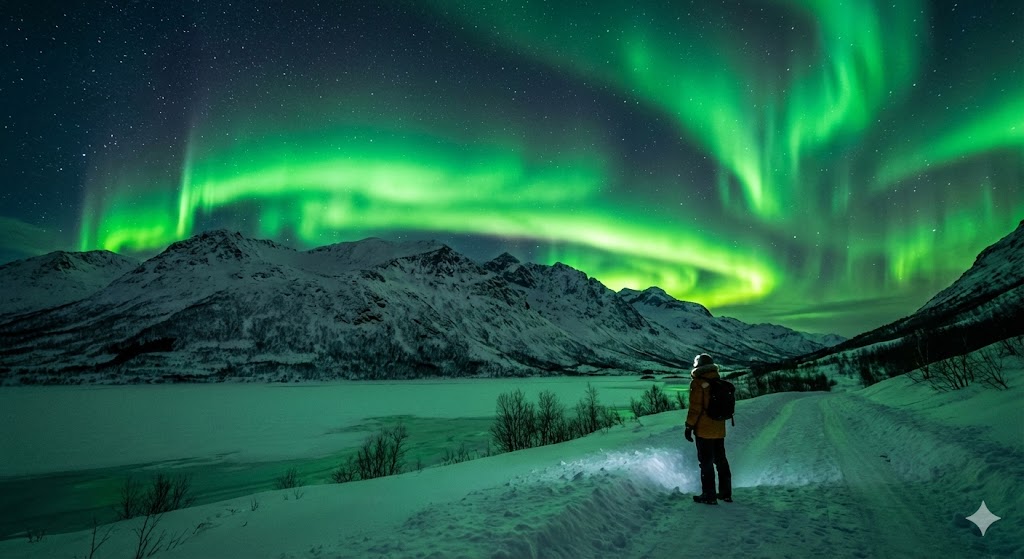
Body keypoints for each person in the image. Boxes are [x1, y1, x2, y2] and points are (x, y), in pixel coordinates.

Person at [684, 353, 732, 505]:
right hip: (719, 427)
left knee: (706, 462)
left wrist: (689, 426)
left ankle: (709, 494)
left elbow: (695, 408)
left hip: (704, 429)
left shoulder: (698, 383)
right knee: (721, 460)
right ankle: (725, 493)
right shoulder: (717, 379)